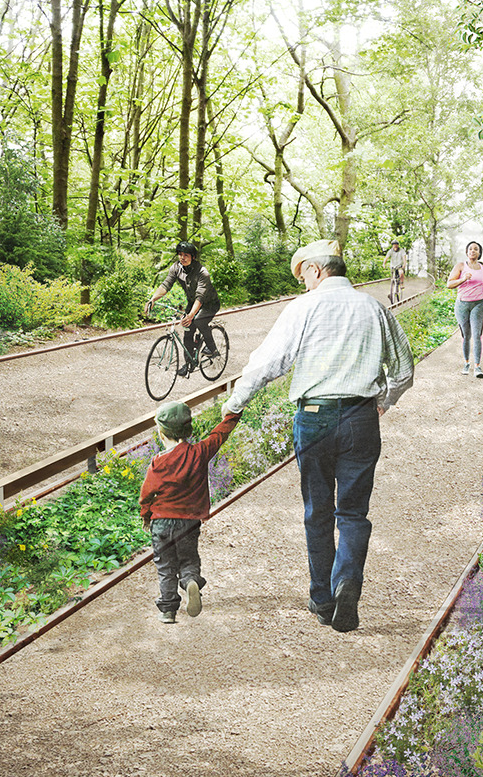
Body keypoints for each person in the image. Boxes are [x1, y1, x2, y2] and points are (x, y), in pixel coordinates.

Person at [222, 239, 415, 633]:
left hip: (313, 418)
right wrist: (383, 402)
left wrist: (235, 403)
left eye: (302, 276)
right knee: (353, 512)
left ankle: (323, 599)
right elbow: (404, 370)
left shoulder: (303, 308)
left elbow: (269, 362)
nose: (303, 284)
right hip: (361, 417)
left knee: (318, 511)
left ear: (315, 270)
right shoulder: (375, 307)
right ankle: (347, 581)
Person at [139, 401, 241, 624]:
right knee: (188, 559)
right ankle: (191, 581)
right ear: (189, 430)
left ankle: (167, 611)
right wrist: (233, 414)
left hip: (162, 523)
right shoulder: (200, 452)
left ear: (161, 433)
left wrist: (146, 515)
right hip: (188, 523)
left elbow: (146, 494)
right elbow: (219, 434)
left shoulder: (158, 462)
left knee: (165, 566)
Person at [144, 241, 221, 377]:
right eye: (180, 254)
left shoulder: (203, 273)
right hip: (193, 302)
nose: (182, 257)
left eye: (186, 255)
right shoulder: (176, 268)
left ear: (193, 257)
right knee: (187, 331)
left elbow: (200, 297)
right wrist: (153, 299)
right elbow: (166, 285)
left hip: (209, 303)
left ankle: (213, 349)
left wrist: (191, 315)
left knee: (198, 321)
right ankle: (189, 363)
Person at [447, 241, 483, 378]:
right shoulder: (460, 266)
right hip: (462, 305)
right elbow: (449, 284)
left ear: (479, 253)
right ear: (467, 252)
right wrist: (463, 279)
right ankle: (466, 363)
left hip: (479, 304)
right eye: (470, 249)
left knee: (477, 335)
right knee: (466, 336)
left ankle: (477, 367)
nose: (473, 251)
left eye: (476, 249)